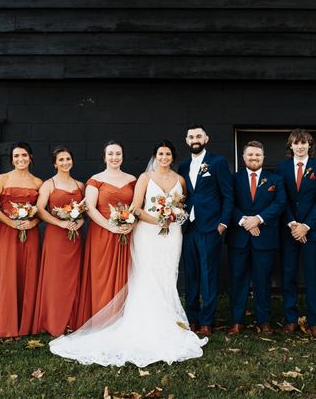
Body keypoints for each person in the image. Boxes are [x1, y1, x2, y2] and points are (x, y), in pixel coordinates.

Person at [50, 140, 207, 366]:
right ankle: (144, 322)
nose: (164, 157)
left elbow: (182, 206)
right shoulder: (143, 178)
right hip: (148, 233)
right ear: (155, 156)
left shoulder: (179, 180)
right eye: (160, 153)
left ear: (172, 157)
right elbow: (135, 207)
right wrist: (158, 220)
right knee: (146, 274)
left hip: (172, 235)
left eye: (168, 154)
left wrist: (175, 217)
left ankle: (167, 319)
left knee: (167, 273)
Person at [177, 125, 234, 337]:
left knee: (208, 275)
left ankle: (207, 321)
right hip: (188, 228)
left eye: (198, 136)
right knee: (191, 275)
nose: (195, 139)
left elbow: (228, 195)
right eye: (191, 136)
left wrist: (223, 224)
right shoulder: (182, 167)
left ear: (206, 138)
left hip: (211, 228)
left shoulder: (217, 162)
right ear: (186, 140)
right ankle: (192, 318)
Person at [73, 140, 136, 329]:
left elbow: (137, 206)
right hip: (102, 233)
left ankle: (122, 319)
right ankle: (101, 319)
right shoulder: (95, 180)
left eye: (118, 153)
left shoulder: (132, 180)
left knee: (126, 274)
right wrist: (110, 227)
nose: (114, 157)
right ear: (104, 157)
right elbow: (90, 208)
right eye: (111, 154)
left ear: (123, 156)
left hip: (126, 233)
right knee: (101, 275)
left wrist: (130, 225)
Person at [226, 141, 286, 335]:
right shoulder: (234, 179)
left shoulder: (275, 180)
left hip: (265, 238)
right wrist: (245, 221)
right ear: (244, 157)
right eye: (250, 155)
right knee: (238, 280)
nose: (254, 158)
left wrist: (258, 220)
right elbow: (229, 203)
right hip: (239, 238)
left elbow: (279, 203)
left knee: (263, 281)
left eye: (257, 155)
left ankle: (264, 320)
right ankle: (237, 320)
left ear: (263, 157)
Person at [0, 142, 43, 337]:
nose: (21, 159)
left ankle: (26, 322)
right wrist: (12, 223)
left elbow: (41, 211)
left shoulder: (38, 182)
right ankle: (4, 322)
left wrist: (33, 223)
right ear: (12, 159)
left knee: (27, 272)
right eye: (16, 156)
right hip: (7, 232)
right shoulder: (3, 178)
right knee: (8, 273)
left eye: (24, 155)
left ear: (30, 157)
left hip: (29, 233)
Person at [276, 129, 316, 339]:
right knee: (288, 275)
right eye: (296, 143)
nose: (300, 146)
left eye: (304, 142)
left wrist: (306, 225)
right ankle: (291, 319)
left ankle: (315, 321)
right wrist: (292, 224)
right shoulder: (281, 168)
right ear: (291, 146)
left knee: (312, 276)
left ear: (309, 145)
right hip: (289, 230)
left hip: (311, 231)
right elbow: (282, 198)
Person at [33, 147, 86, 336]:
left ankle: (72, 320)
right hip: (56, 236)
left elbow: (85, 211)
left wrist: (78, 221)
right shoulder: (49, 184)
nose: (65, 162)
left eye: (68, 158)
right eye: (61, 160)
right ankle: (54, 320)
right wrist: (60, 223)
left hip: (74, 238)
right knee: (55, 277)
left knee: (73, 277)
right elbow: (40, 209)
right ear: (55, 163)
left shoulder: (80, 186)